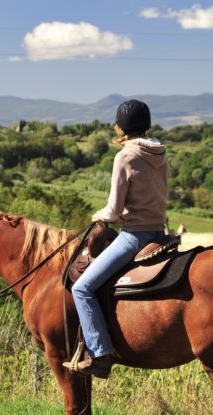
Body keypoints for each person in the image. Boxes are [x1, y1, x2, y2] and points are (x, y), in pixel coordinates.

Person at [63, 99, 169, 378]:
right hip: (160, 231)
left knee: (82, 289)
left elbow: (112, 209)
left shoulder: (125, 156)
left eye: (115, 123)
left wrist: (100, 216)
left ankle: (100, 354)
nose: (114, 126)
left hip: (135, 235)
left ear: (122, 127)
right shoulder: (160, 153)